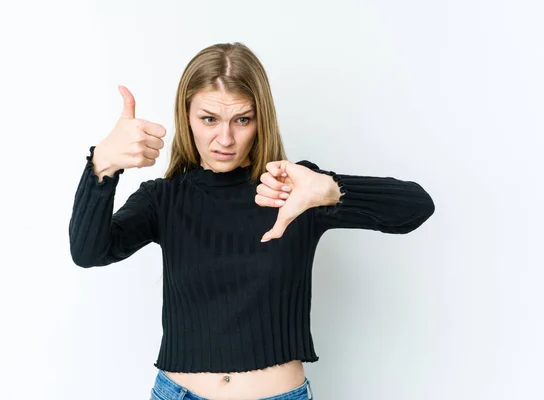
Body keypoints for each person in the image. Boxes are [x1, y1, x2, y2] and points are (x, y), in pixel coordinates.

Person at [68, 42, 435, 400]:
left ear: (261, 119)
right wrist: (102, 165)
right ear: (186, 115)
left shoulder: (294, 190)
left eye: (242, 119)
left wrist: (330, 190)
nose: (224, 139)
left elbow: (416, 208)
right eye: (209, 119)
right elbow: (89, 252)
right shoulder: (162, 198)